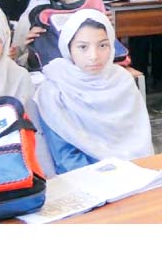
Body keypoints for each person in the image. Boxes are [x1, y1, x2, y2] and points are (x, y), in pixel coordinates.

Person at [34, 10, 154, 175]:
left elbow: (140, 140)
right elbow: (65, 159)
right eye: (82, 47)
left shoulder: (122, 81)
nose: (94, 56)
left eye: (103, 45)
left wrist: (134, 173)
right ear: (68, 48)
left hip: (134, 171)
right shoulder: (54, 90)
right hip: (84, 179)